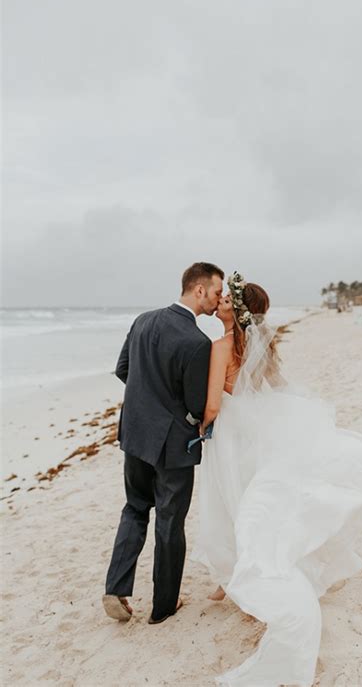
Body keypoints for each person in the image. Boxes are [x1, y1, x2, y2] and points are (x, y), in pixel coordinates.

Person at [195, 271, 362, 687]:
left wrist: (199, 424)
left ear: (234, 307)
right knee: (250, 500)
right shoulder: (259, 348)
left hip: (230, 434)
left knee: (227, 500)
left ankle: (233, 579)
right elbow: (276, 386)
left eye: (225, 300)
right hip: (258, 433)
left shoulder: (220, 346)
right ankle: (233, 578)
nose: (219, 303)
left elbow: (213, 404)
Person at [103, 262, 224, 625]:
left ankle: (116, 588)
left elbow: (124, 370)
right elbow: (193, 404)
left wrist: (148, 403)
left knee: (135, 508)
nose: (219, 299)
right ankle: (163, 606)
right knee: (170, 522)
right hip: (172, 446)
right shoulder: (196, 342)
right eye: (217, 292)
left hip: (135, 434)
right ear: (199, 290)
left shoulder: (143, 321)